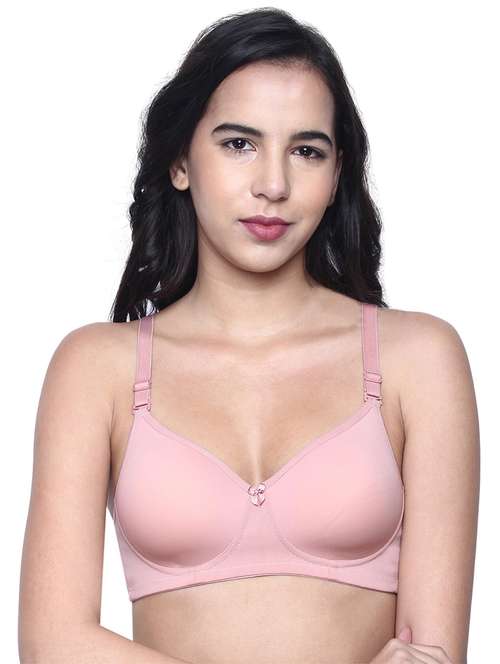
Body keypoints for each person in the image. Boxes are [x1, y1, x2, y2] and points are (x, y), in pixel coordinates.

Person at [18, 7, 479, 664]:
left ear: (337, 175)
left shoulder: (420, 359)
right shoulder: (96, 368)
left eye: (306, 151)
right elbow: (51, 644)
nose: (273, 185)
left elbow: (432, 651)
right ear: (181, 161)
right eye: (239, 144)